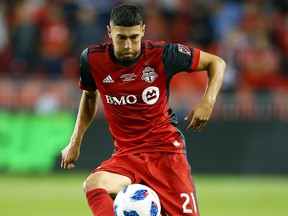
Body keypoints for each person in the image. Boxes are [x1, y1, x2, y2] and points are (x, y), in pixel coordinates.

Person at [61, 4, 226, 216]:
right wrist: (75, 142)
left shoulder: (162, 54)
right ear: (110, 32)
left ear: (143, 31)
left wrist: (208, 102)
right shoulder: (92, 60)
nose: (128, 45)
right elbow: (89, 97)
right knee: (94, 184)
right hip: (127, 155)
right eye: (121, 38)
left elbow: (217, 63)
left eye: (133, 37)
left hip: (166, 153)